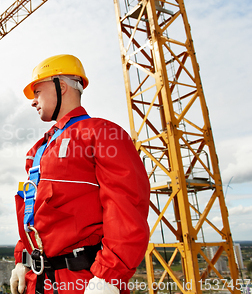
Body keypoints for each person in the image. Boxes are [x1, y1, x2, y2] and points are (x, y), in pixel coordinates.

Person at [10, 54, 150, 294]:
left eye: (37, 92)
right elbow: (33, 213)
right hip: (39, 281)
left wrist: (109, 276)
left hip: (83, 282)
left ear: (61, 86)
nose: (33, 101)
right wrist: (23, 260)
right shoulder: (37, 151)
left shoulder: (102, 133)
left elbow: (126, 207)